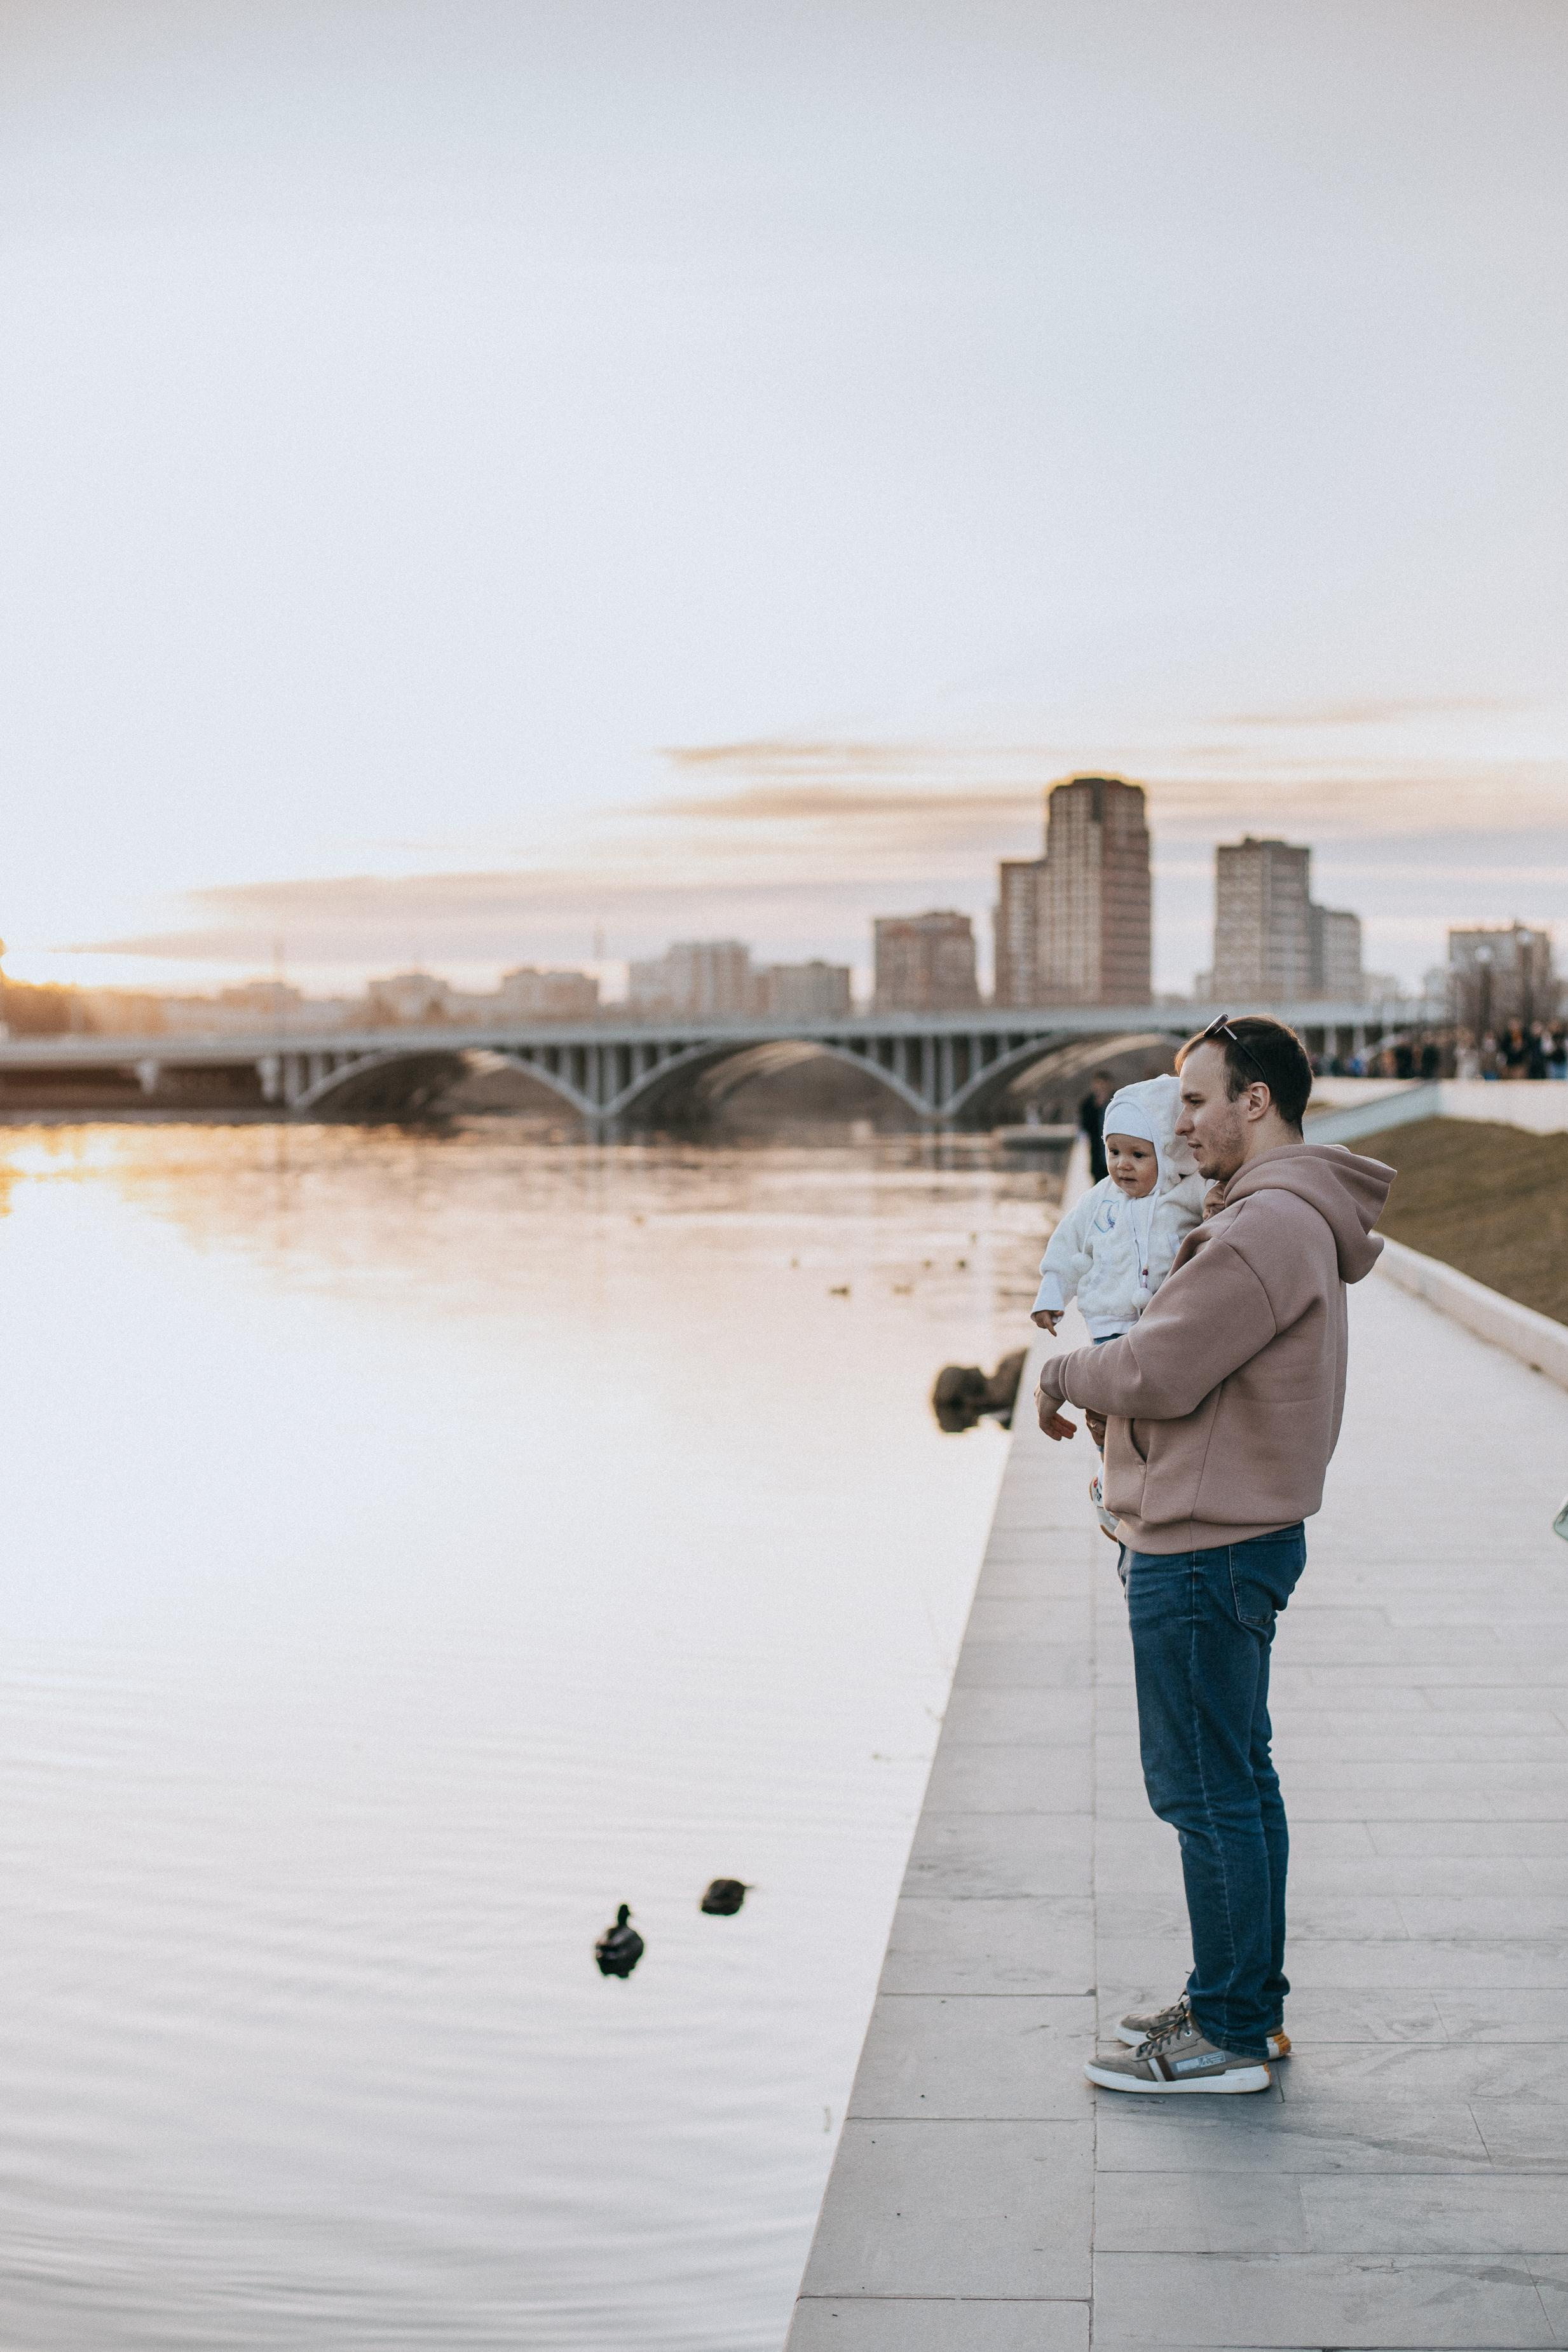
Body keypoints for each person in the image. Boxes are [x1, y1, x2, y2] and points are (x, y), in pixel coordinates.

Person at [1035, 1014, 1391, 2093]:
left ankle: (1229, 2032)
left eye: (1195, 1100)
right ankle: (1242, 2004)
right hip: (1228, 1533)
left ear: (1256, 1103)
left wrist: (1057, 1376)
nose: (1175, 1121)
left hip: (1204, 1545)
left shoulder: (1259, 1229)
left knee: (1202, 1791)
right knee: (1234, 1781)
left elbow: (1156, 1371)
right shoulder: (1275, 1216)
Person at [1030, 1075, 1205, 1538]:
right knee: (1108, 1419)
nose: (1122, 1166)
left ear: (1165, 1155)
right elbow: (1068, 1247)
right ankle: (1109, 1487)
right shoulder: (1098, 1202)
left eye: (1137, 1155)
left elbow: (1218, 1202)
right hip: (1109, 1323)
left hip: (1158, 1324)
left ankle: (1137, 1489)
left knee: (1149, 1421)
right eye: (1113, 1153)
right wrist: (1051, 1295)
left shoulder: (1180, 1194)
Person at [1079, 1069, 1115, 1182]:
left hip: (1115, 1151)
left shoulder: (1117, 1100)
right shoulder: (1088, 1104)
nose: (1101, 1088)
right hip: (1097, 1154)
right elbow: (1086, 1127)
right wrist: (1096, 1108)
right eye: (1098, 1085)